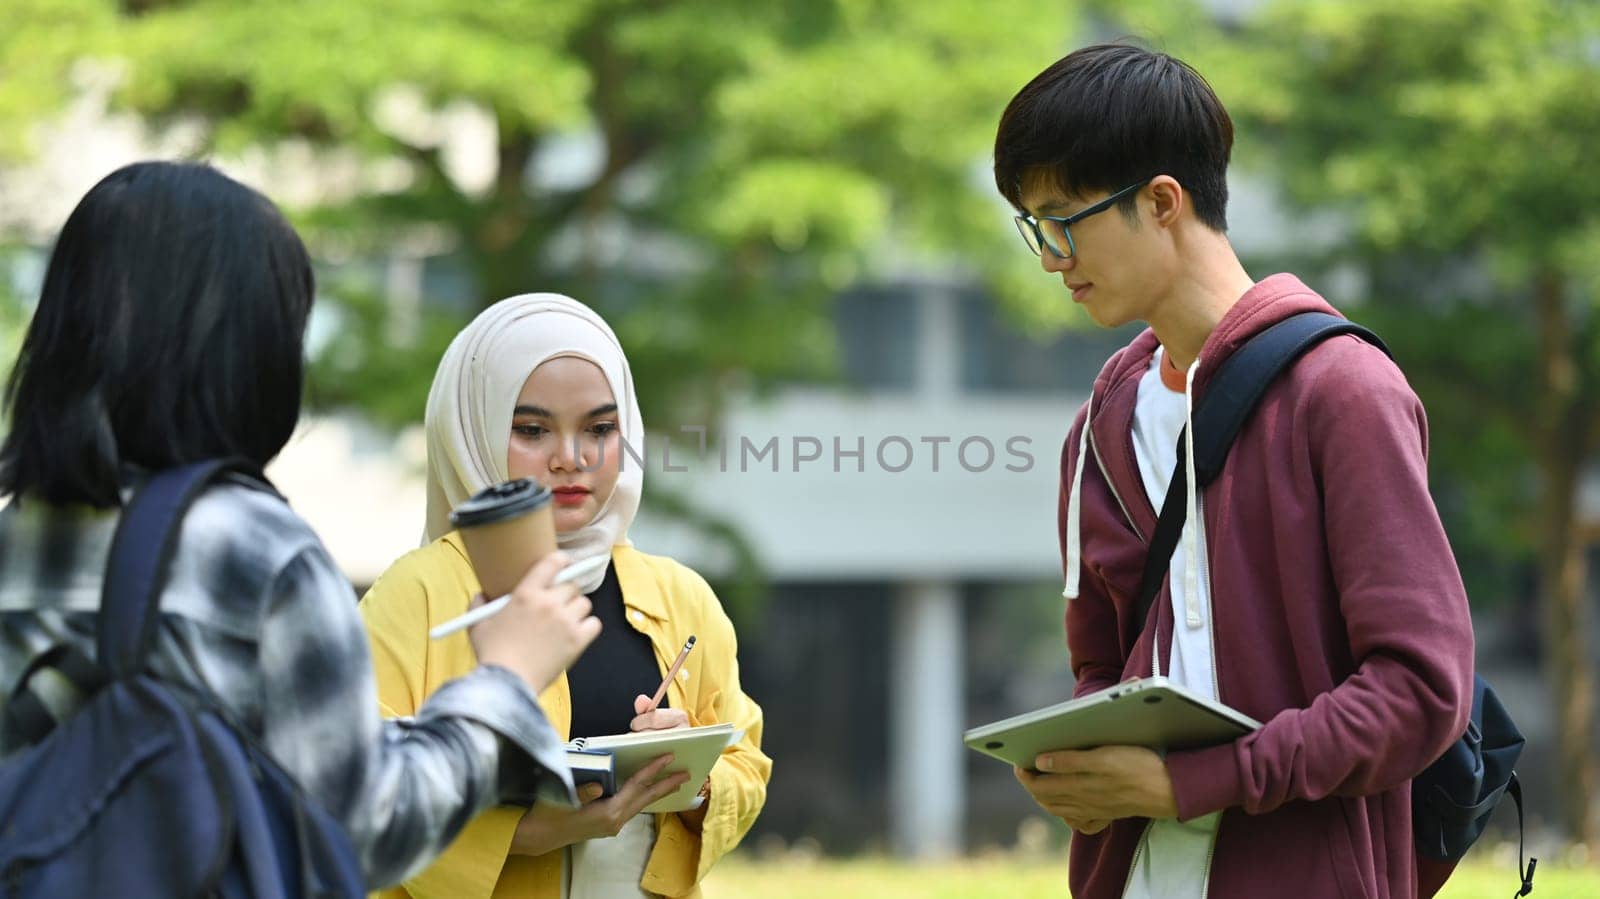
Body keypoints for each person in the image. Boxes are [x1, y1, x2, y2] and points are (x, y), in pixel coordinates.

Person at [0, 161, 600, 888]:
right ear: (247, 349)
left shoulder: (18, 531)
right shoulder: (253, 550)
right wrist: (506, 676)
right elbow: (362, 829)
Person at [992, 45, 1474, 898]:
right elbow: (1099, 672)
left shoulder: (1343, 391)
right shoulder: (1098, 430)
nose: (1049, 257)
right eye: (1034, 227)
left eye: (1064, 219)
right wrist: (1082, 773)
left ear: (1163, 201)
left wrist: (1196, 783)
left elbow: (1420, 690)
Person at [358, 293, 770, 899]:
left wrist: (694, 781)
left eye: (600, 429)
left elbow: (747, 763)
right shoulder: (414, 596)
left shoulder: (681, 597)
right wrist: (519, 834)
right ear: (472, 429)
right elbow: (352, 791)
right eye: (532, 429)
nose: (570, 459)